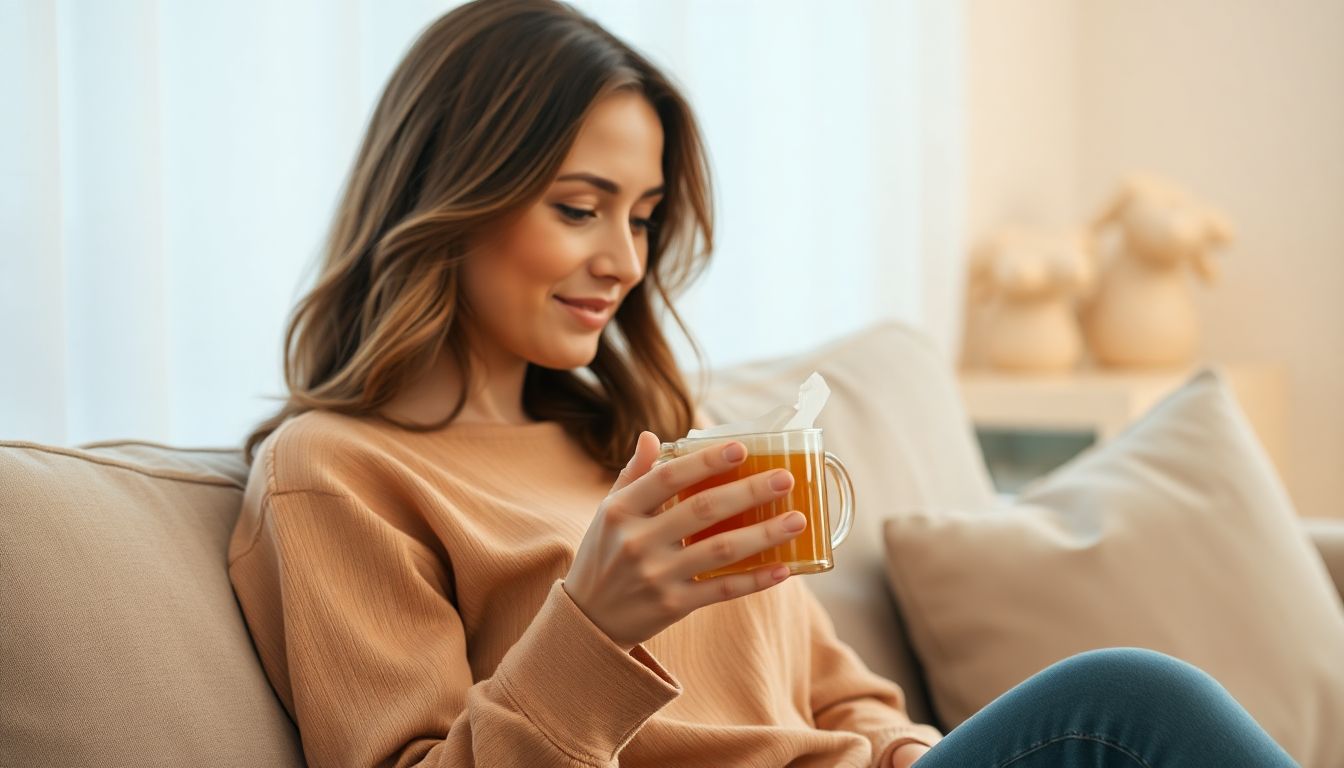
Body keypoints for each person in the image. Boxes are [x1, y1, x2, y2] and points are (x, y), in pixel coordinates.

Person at [227, 1, 1301, 766]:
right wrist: (589, 629)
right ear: (450, 197)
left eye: (643, 216)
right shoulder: (338, 475)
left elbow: (845, 695)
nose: (626, 261)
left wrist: (903, 751)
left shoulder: (650, 439)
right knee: (1122, 703)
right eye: (578, 206)